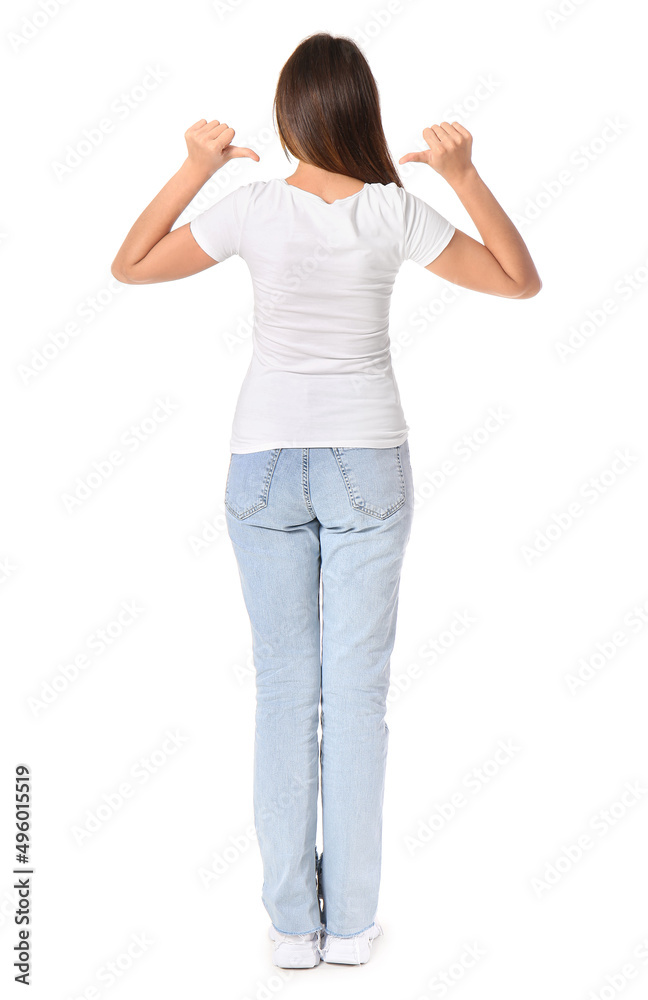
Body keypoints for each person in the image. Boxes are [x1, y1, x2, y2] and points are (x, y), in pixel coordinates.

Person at [111, 31, 541, 970]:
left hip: (261, 463)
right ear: (364, 113)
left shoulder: (253, 207)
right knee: (355, 700)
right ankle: (349, 927)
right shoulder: (393, 211)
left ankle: (289, 928)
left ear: (286, 117)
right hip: (367, 464)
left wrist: (192, 167)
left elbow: (130, 264)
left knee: (282, 695)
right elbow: (520, 280)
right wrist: (464, 175)